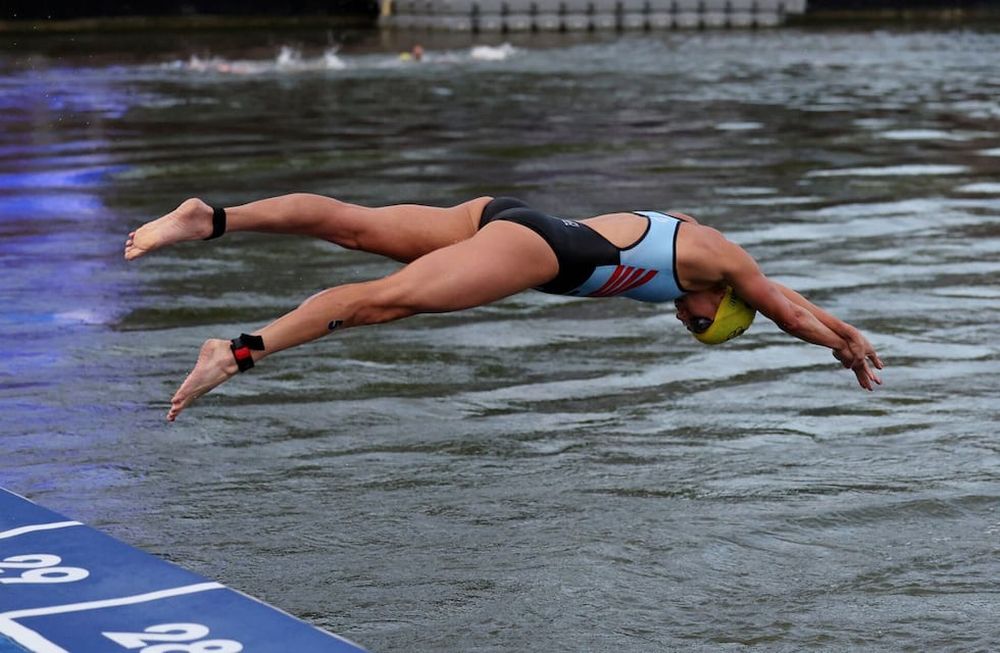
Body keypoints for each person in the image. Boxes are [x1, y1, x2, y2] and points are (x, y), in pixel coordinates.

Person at [124, 194, 883, 421]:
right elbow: (781, 309)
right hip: (536, 251)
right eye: (701, 322)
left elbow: (779, 295)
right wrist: (838, 348)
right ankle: (236, 353)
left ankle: (210, 219)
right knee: (380, 304)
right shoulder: (715, 258)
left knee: (354, 229)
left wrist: (845, 328)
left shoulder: (720, 266)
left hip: (506, 217)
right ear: (722, 300)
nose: (685, 320)